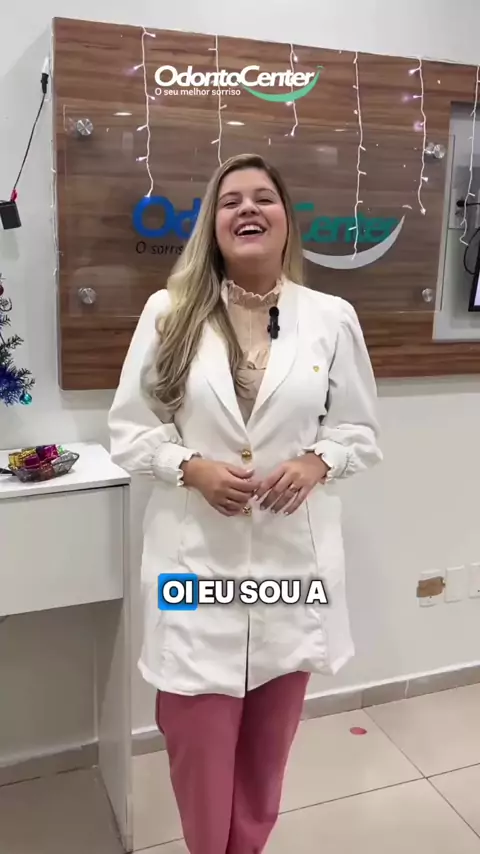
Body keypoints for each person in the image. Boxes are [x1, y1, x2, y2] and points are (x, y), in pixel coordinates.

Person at [108, 152, 382, 854]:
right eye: (231, 200)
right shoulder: (169, 313)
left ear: (287, 219)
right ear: (213, 222)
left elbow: (358, 430)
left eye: (264, 197)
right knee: (198, 751)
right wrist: (189, 467)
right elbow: (130, 431)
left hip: (290, 570)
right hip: (194, 570)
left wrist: (318, 461)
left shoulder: (331, 318)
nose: (248, 209)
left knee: (266, 757)